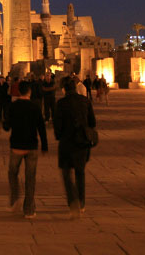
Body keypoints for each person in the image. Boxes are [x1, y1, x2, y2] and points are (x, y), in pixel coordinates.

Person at [2, 80, 48, 218]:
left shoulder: (13, 106)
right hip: (31, 146)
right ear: (29, 92)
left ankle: (14, 198)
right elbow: (41, 127)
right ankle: (29, 209)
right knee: (30, 178)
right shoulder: (35, 107)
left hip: (17, 145)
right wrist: (44, 145)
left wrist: (5, 122)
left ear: (18, 92)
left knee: (12, 173)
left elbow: (6, 127)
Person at [54, 76, 96, 218]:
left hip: (67, 142)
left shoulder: (61, 103)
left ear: (64, 88)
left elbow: (58, 127)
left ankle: (73, 201)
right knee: (80, 173)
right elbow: (93, 122)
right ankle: (82, 202)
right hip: (82, 142)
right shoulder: (85, 101)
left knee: (66, 174)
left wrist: (59, 135)